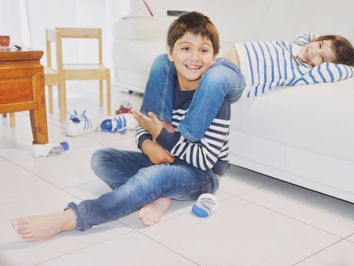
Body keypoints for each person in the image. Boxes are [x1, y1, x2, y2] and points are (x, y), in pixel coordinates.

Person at [11, 11, 231, 242]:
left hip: (201, 175)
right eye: (186, 48)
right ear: (170, 52)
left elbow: (206, 161)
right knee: (102, 158)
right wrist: (148, 145)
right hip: (165, 160)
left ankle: (71, 218)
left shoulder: (215, 98)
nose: (194, 57)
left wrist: (162, 138)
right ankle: (155, 196)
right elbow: (144, 126)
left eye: (204, 50)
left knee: (151, 178)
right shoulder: (165, 86)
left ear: (213, 57)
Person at [141, 32, 354, 142]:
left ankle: (183, 137)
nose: (314, 52)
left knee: (215, 79)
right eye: (319, 45)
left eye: (322, 57)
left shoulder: (304, 72)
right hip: (218, 63)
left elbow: (344, 70)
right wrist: (322, 42)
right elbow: (310, 35)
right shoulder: (299, 44)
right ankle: (157, 122)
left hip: (236, 78)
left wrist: (338, 60)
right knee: (164, 62)